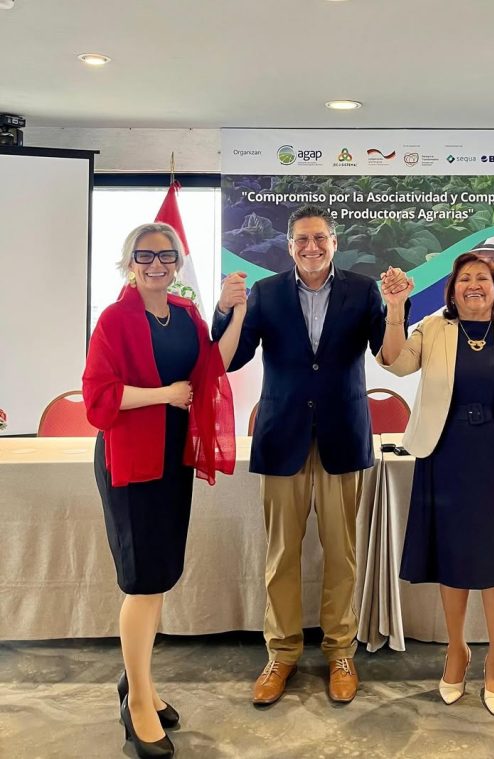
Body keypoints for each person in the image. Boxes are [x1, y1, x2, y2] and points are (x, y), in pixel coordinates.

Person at [212, 204, 408, 706]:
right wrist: (226, 310)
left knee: (342, 554)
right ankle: (281, 653)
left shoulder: (362, 291)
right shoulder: (266, 293)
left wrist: (396, 306)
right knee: (282, 555)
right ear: (289, 245)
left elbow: (389, 356)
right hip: (283, 437)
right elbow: (231, 358)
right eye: (301, 239)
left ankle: (340, 651)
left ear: (334, 243)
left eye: (320, 238)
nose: (311, 246)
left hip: (343, 434)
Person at [83, 222, 246, 759]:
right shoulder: (115, 318)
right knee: (142, 580)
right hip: (131, 460)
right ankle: (135, 703)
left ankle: (141, 683)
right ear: (129, 262)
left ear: (177, 262)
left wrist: (236, 313)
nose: (156, 264)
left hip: (173, 458)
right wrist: (163, 395)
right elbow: (98, 399)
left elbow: (213, 366)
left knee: (159, 577)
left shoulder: (185, 312)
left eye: (166, 256)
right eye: (145, 255)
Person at [378, 251, 494, 715]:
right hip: (446, 454)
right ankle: (456, 650)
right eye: (465, 278)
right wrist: (396, 309)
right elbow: (395, 363)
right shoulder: (433, 328)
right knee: (453, 557)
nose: (474, 284)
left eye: (484, 278)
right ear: (452, 289)